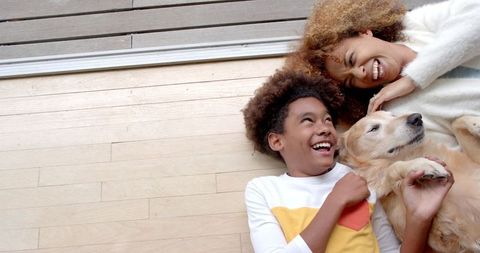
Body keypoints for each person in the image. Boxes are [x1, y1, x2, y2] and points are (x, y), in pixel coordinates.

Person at [242, 70, 453, 253]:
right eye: (308, 121)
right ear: (277, 140)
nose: (325, 128)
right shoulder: (263, 190)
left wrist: (420, 216)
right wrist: (336, 200)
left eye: (328, 120)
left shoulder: (362, 182)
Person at [288, 0, 480, 148]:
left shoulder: (414, 26)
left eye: (352, 59)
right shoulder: (397, 113)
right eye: (350, 80)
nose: (360, 73)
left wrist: (413, 78)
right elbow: (457, 153)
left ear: (365, 33)